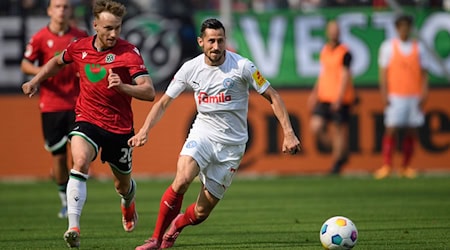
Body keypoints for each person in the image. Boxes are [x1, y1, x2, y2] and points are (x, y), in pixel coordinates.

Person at [130, 18, 301, 250]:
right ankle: (155, 239)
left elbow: (273, 96)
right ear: (201, 42)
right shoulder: (190, 68)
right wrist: (144, 130)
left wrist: (288, 133)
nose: (216, 46)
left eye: (220, 40)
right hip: (202, 134)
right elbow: (163, 103)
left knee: (200, 212)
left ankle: (177, 225)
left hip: (231, 147)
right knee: (181, 179)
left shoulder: (242, 66)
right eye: (211, 41)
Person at [21, 0, 155, 248]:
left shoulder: (129, 52)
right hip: (87, 118)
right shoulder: (80, 47)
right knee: (80, 161)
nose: (113, 33)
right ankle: (73, 226)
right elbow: (56, 62)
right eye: (108, 28)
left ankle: (128, 201)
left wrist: (123, 86)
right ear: (95, 25)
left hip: (119, 127)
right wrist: (36, 80)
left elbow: (149, 92)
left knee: (122, 184)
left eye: (117, 28)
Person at [21, 0, 88, 219]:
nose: (62, 10)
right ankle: (64, 202)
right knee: (58, 156)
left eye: (66, 6)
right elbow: (25, 63)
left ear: (71, 11)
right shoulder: (40, 37)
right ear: (50, 11)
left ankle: (74, 198)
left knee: (79, 155)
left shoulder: (80, 35)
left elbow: (89, 61)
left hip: (78, 103)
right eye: (57, 6)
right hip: (51, 104)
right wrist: (42, 72)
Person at [374, 14, 428, 179]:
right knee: (391, 129)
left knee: (411, 130)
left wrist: (424, 92)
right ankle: (387, 165)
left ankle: (406, 166)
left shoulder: (419, 48)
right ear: (397, 28)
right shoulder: (388, 47)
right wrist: (384, 93)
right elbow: (383, 73)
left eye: (407, 26)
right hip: (395, 95)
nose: (405, 30)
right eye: (402, 26)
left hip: (413, 95)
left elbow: (424, 73)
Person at [307, 20, 355, 175]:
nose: (334, 33)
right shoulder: (325, 50)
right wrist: (314, 94)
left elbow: (345, 75)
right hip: (324, 96)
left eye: (336, 30)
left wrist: (339, 98)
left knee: (338, 129)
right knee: (316, 126)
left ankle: (337, 164)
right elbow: (323, 74)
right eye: (331, 30)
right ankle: (341, 153)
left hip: (339, 97)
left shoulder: (345, 52)